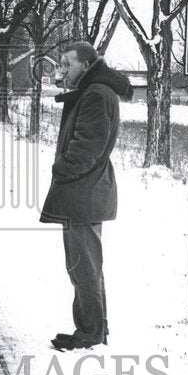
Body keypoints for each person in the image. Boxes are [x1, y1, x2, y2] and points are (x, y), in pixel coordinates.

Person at [40, 41, 131, 351]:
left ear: (87, 65)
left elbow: (86, 150)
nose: (61, 69)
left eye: (67, 63)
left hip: (84, 192)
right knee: (84, 267)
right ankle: (92, 329)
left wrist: (60, 169)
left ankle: (91, 332)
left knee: (84, 268)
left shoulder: (96, 95)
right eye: (60, 63)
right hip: (85, 192)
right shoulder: (92, 92)